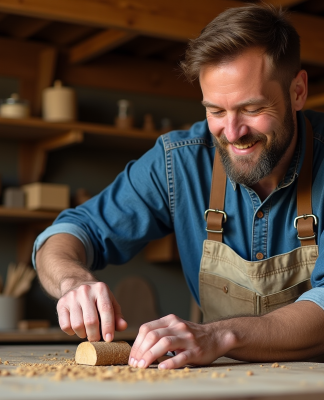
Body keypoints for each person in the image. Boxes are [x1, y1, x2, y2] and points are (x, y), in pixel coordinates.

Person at [34, 3, 324, 369]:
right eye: (216, 111)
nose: (232, 133)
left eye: (252, 109)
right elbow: (68, 233)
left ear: (297, 91)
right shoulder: (179, 161)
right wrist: (72, 282)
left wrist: (218, 335)